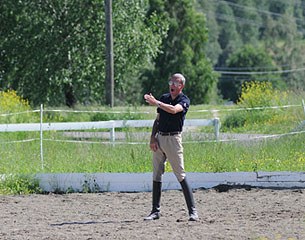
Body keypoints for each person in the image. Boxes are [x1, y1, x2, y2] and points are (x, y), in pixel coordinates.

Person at [143, 73, 198, 221]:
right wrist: (152, 137)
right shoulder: (164, 98)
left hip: (173, 139)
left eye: (176, 83)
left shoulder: (184, 100)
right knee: (156, 174)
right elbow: (158, 119)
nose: (172, 85)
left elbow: (174, 110)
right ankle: (155, 211)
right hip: (160, 138)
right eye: (171, 82)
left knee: (180, 174)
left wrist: (156, 103)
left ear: (182, 86)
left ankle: (192, 211)